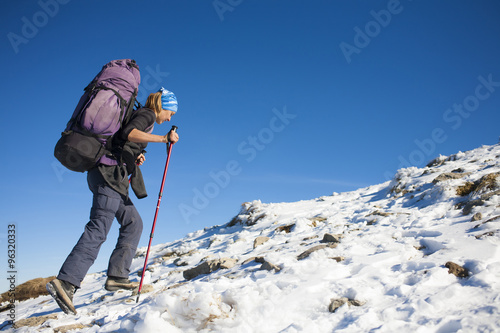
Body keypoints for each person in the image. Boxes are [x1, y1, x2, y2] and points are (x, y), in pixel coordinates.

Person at [47, 87, 180, 315]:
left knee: (133, 223)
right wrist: (163, 138)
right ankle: (66, 283)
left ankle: (117, 276)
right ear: (163, 106)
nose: (170, 118)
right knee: (99, 227)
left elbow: (123, 140)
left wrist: (136, 154)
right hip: (108, 175)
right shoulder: (147, 114)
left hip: (110, 178)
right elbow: (128, 132)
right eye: (171, 112)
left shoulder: (145, 118)